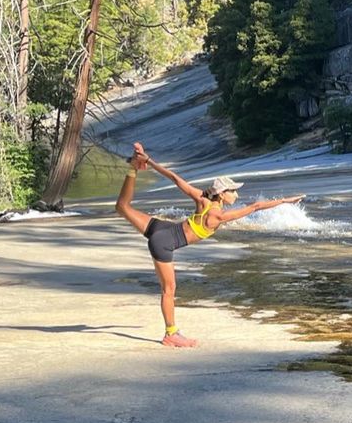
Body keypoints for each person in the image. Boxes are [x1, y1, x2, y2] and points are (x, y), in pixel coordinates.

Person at [115, 141, 303, 347]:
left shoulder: (203, 199)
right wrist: (285, 201)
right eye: (233, 191)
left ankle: (133, 167)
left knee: (123, 207)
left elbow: (175, 178)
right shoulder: (217, 216)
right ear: (222, 194)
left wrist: (149, 161)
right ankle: (171, 334)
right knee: (169, 289)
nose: (236, 194)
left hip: (164, 229)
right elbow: (255, 207)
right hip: (163, 242)